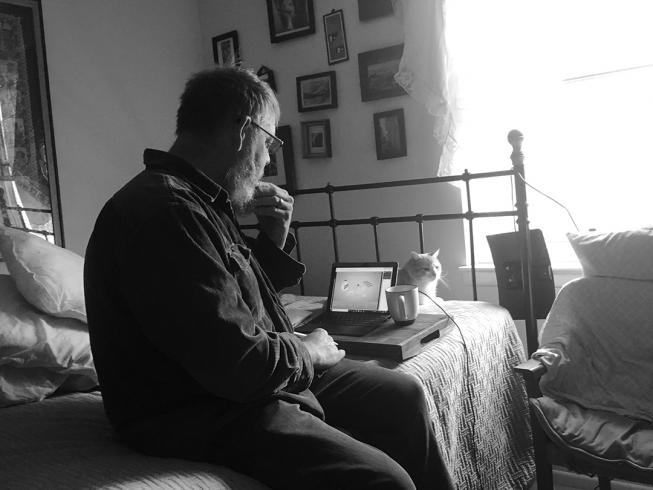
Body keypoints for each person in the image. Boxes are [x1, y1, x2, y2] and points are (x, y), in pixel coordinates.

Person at [84, 66, 454, 490]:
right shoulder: (166, 214)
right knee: (385, 481)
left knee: (402, 397)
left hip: (237, 379)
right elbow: (236, 366)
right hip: (196, 407)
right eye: (269, 141)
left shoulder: (198, 200)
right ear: (243, 132)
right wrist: (308, 352)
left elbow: (229, 303)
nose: (268, 157)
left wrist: (273, 239)